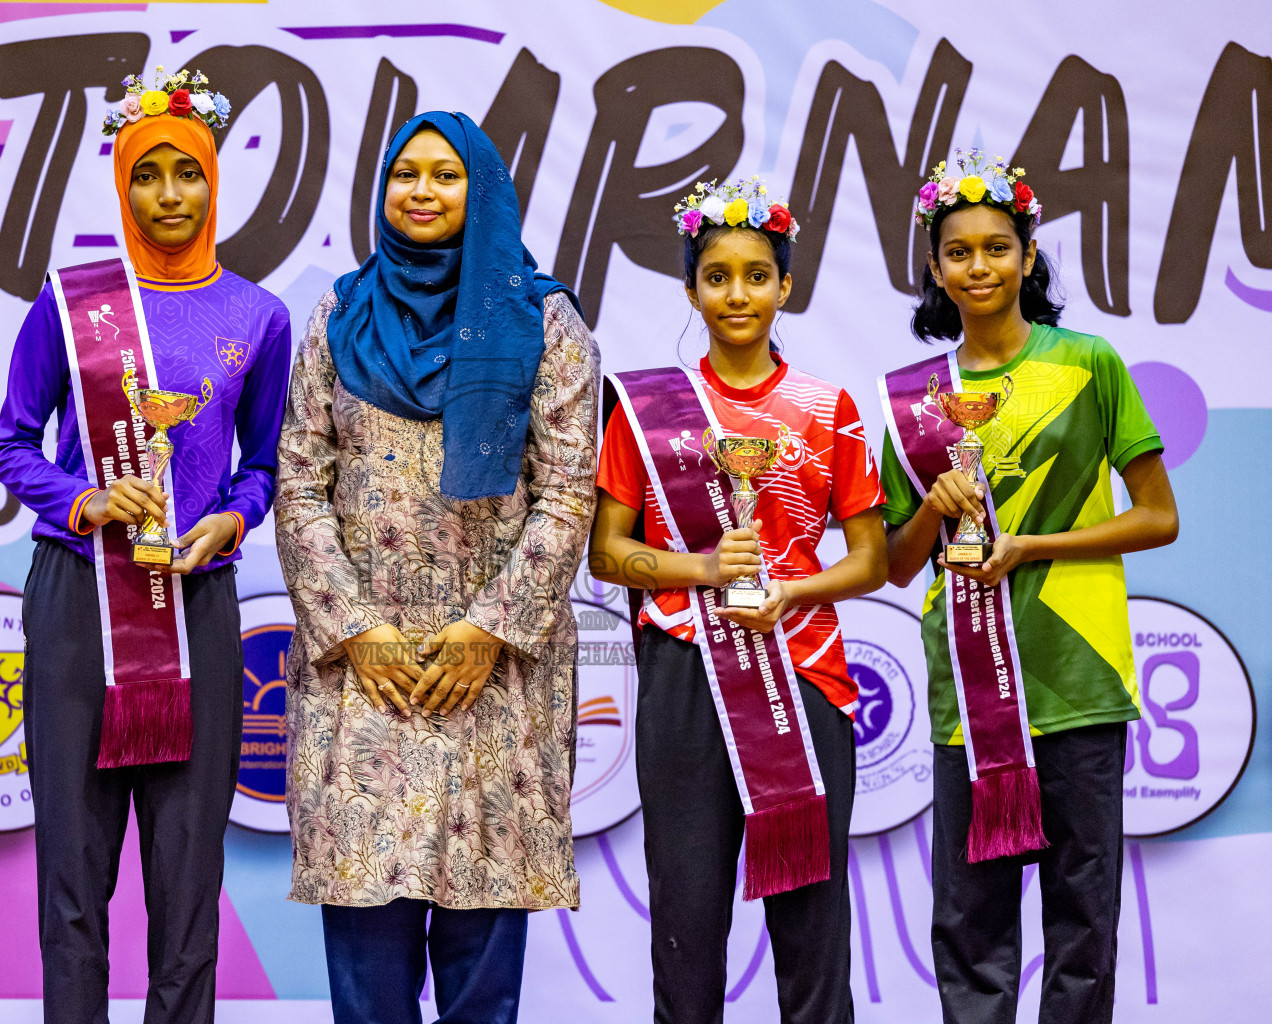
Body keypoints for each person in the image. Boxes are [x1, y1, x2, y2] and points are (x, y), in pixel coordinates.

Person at [274, 111, 599, 1024]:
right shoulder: (339, 315)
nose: (421, 191)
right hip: (362, 685)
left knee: (481, 980)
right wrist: (355, 630)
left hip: (493, 687)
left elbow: (569, 491)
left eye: (445, 176)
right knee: (368, 982)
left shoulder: (544, 322)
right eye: (404, 174)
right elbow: (298, 482)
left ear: (482, 191)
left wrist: (490, 629)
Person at [0, 68, 291, 1024]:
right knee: (73, 880)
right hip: (78, 603)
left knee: (187, 878)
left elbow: (267, 464)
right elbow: (8, 444)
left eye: (188, 174)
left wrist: (234, 518)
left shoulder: (258, 315)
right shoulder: (71, 304)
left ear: (214, 181)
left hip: (198, 604)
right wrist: (82, 499)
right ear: (123, 184)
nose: (170, 195)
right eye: (148, 174)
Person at [879, 150, 1179, 1024]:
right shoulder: (916, 398)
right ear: (935, 267)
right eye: (960, 252)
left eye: (998, 248)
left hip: (1078, 678)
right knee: (969, 925)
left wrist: (1031, 546)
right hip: (965, 699)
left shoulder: (1089, 362)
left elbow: (1158, 517)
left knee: (1084, 922)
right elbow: (898, 565)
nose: (981, 267)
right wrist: (933, 508)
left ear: (1030, 256)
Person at [589, 178, 888, 1024]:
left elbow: (869, 562)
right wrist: (707, 571)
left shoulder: (828, 411)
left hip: (805, 675)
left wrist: (790, 589)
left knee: (812, 921)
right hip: (686, 675)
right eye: (716, 276)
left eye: (757, 275)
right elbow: (608, 554)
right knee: (686, 913)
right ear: (691, 290)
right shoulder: (646, 410)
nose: (737, 294)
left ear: (786, 285)